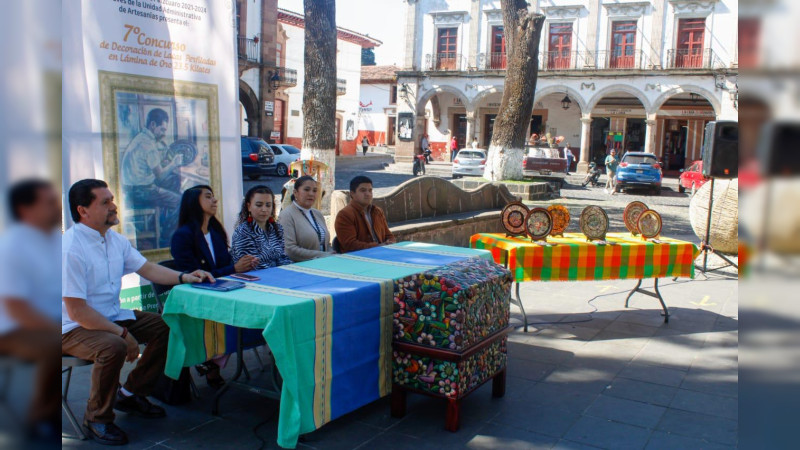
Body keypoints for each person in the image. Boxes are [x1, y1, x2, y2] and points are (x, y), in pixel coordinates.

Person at [62, 179, 213, 446]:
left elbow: (149, 269)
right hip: (70, 328)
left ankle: (130, 394)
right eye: (105, 202)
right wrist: (122, 333)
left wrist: (185, 277)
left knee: (169, 327)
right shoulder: (70, 248)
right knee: (113, 346)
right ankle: (97, 418)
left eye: (112, 199)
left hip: (108, 315)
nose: (114, 205)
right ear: (83, 211)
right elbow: (77, 311)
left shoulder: (114, 240)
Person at [0, 179, 62, 442]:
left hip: (50, 320)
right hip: (13, 328)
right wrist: (60, 328)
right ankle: (42, 416)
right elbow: (16, 308)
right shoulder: (12, 245)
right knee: (55, 343)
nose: (57, 207)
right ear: (25, 210)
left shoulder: (55, 239)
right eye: (49, 202)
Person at [120, 108, 182, 247]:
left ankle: (162, 223)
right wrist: (173, 164)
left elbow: (150, 167)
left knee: (173, 182)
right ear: (153, 125)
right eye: (162, 129)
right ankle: (168, 239)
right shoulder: (148, 144)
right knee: (181, 200)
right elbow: (159, 175)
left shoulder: (141, 138)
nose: (164, 133)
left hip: (131, 188)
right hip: (142, 191)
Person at [231, 185, 293, 268]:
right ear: (249, 206)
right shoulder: (243, 232)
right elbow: (252, 265)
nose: (264, 209)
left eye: (268, 205)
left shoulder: (277, 228)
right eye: (259, 205)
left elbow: (282, 257)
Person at [334, 176, 396, 253]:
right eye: (363, 190)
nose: (368, 194)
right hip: (357, 259)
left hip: (381, 253)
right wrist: (377, 246)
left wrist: (390, 242)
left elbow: (389, 235)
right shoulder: (344, 215)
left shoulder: (377, 211)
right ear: (352, 194)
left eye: (370, 190)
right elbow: (350, 245)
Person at [279, 176, 334, 262]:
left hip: (325, 263)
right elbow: (290, 250)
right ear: (295, 192)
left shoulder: (317, 214)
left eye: (314, 191)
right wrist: (322, 255)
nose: (311, 194)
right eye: (306, 190)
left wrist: (332, 254)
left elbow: (326, 244)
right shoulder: (287, 215)